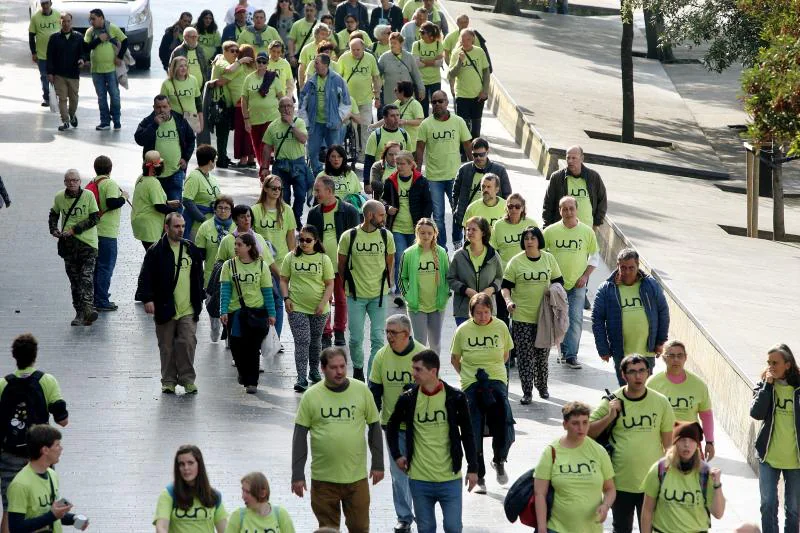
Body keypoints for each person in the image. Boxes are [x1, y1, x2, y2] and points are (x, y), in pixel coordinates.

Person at [291, 347, 384, 532]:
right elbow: (299, 435)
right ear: (323, 368)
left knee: (360, 528)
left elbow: (374, 427)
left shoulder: (362, 391)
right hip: (323, 480)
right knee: (327, 530)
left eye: (342, 366)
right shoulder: (311, 396)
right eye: (334, 367)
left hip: (356, 479)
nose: (340, 371)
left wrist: (378, 463)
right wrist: (297, 474)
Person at [386, 349, 478, 533]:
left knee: (453, 527)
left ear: (433, 371)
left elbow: (468, 433)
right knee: (426, 528)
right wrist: (397, 455)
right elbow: (392, 426)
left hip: (450, 478)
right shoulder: (408, 398)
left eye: (418, 370)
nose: (414, 374)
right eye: (413, 369)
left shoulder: (455, 397)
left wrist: (474, 468)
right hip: (420, 479)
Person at [588, 354, 676, 533]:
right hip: (620, 482)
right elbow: (587, 431)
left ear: (648, 372)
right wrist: (610, 416)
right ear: (623, 374)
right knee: (621, 529)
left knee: (651, 528)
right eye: (632, 372)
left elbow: (668, 445)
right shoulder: (612, 401)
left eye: (642, 371)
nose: (638, 376)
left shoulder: (661, 402)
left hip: (652, 481)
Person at [0, 334, 69, 533]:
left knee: (10, 508)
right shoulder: (46, 381)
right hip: (41, 454)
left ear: (14, 357)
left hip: (9, 453)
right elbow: (62, 420)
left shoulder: (3, 384)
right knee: (46, 503)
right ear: (35, 355)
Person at [450, 292, 514, 494]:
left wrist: (493, 372)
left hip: (495, 378)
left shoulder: (501, 326)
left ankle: (499, 458)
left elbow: (506, 354)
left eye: (486, 312)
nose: (483, 316)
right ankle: (479, 473)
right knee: (472, 425)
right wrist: (467, 377)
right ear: (471, 313)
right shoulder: (463, 330)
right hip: (471, 380)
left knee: (502, 419)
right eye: (478, 313)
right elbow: (455, 358)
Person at [367, 315, 426, 532]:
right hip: (392, 427)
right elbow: (374, 390)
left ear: (407, 333)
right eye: (387, 332)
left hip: (421, 427)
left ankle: (423, 514)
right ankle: (404, 518)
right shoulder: (381, 356)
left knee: (420, 473)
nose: (389, 336)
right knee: (399, 476)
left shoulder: (422, 355)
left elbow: (435, 389)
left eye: (394, 332)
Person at [137, 213, 205, 395]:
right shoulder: (156, 251)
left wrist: (200, 296)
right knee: (166, 346)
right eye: (177, 226)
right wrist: (148, 299)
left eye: (182, 226)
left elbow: (199, 275)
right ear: (166, 228)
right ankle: (168, 381)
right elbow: (145, 277)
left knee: (188, 342)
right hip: (165, 307)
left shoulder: (191, 248)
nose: (181, 230)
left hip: (188, 307)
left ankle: (187, 379)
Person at [533, 401, 616, 533]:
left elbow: (610, 489)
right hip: (557, 528)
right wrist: (542, 528)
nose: (581, 428)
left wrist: (605, 506)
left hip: (591, 529)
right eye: (575, 423)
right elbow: (540, 494)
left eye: (585, 422)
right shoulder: (551, 452)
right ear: (565, 425)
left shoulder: (599, 451)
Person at [502, 226, 563, 403]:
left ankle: (542, 387)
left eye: (533, 238)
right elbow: (505, 287)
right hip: (522, 317)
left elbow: (559, 282)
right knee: (524, 357)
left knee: (542, 356)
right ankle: (527, 391)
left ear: (539, 241)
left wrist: (552, 292)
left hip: (544, 317)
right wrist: (508, 302)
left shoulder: (549, 259)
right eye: (526, 238)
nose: (529, 241)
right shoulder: (515, 262)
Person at [593, 247, 670, 383]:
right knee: (626, 391)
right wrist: (603, 348)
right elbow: (597, 319)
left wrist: (660, 341)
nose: (627, 272)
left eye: (631, 268)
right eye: (623, 268)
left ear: (637, 266)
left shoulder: (651, 285)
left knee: (645, 390)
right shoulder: (606, 289)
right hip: (621, 352)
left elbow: (663, 311)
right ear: (617, 266)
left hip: (647, 351)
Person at [338, 200, 396, 380]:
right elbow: (341, 264)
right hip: (355, 296)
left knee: (378, 338)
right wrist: (348, 285)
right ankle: (357, 368)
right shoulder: (349, 236)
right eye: (381, 215)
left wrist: (387, 284)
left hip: (378, 295)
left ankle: (371, 376)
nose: (383, 218)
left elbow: (389, 261)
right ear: (369, 215)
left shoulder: (387, 236)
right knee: (355, 339)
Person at [543, 195, 599, 369]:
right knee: (555, 320)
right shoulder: (550, 231)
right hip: (556, 285)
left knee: (575, 319)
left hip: (577, 285)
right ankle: (555, 350)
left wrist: (585, 276)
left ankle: (571, 355)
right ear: (560, 211)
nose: (568, 212)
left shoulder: (586, 232)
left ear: (576, 210)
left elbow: (594, 257)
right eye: (564, 209)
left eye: (571, 208)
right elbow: (541, 255)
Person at [640, 421, 726, 533]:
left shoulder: (705, 472)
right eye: (682, 440)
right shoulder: (660, 469)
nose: (687, 444)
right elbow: (647, 510)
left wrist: (717, 485)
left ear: (697, 445)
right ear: (675, 443)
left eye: (691, 440)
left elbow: (718, 514)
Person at [751, 343, 800, 533]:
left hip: (795, 461)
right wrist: (767, 386)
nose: (771, 366)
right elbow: (756, 413)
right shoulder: (765, 384)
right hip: (768, 457)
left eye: (775, 362)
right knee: (767, 505)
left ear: (787, 365)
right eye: (768, 362)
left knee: (794, 510)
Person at [220, 233, 277, 394]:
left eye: (239, 244)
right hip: (235, 313)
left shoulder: (261, 266)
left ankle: (252, 381)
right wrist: (223, 311)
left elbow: (267, 291)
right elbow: (225, 289)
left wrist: (271, 314)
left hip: (256, 312)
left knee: (252, 348)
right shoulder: (229, 265)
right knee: (237, 347)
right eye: (235, 244)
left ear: (249, 246)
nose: (235, 247)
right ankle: (242, 371)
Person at [307, 176, 360, 348]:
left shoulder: (349, 211)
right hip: (321, 265)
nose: (315, 194)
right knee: (323, 299)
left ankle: (339, 331)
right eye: (315, 190)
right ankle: (326, 332)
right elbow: (309, 238)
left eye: (318, 190)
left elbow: (356, 239)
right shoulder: (313, 213)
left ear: (329, 191)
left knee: (341, 298)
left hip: (342, 265)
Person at [415, 90, 472, 248]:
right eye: (434, 102)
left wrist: (476, 167)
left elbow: (467, 144)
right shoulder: (426, 124)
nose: (437, 104)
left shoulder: (458, 121)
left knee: (458, 212)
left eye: (440, 101)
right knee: (438, 216)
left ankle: (457, 240)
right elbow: (420, 149)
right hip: (434, 177)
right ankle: (442, 247)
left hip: (455, 176)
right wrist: (418, 172)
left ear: (447, 102)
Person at [281, 225, 335, 392]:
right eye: (301, 239)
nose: (304, 243)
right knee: (302, 340)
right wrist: (286, 298)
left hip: (319, 309)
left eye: (308, 240)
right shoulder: (291, 257)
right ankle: (301, 376)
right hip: (297, 307)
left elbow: (329, 283)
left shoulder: (323, 259)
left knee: (315, 340)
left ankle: (314, 370)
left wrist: (323, 303)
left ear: (316, 241)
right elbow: (283, 280)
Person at [7, 425, 88, 533]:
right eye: (57, 445)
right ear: (45, 450)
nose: (61, 448)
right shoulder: (20, 485)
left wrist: (73, 519)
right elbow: (16, 528)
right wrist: (52, 516)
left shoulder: (52, 474)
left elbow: (50, 514)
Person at [48, 169, 100, 327]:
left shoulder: (88, 196)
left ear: (80, 182)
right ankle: (79, 312)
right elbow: (53, 213)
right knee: (75, 281)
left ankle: (88, 309)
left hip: (88, 244)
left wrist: (74, 230)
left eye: (75, 180)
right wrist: (54, 229)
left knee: (86, 277)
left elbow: (95, 218)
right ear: (65, 182)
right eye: (69, 180)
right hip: (68, 246)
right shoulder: (59, 197)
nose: (72, 183)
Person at [647, 340, 715, 459]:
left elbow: (706, 415)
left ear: (685, 358)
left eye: (680, 356)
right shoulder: (652, 383)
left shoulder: (698, 385)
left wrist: (709, 442)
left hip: (691, 442)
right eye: (671, 356)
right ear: (664, 358)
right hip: (663, 443)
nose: (676, 360)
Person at [381, 150, 432, 306]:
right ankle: (400, 292)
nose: (400, 167)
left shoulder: (421, 181)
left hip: (415, 227)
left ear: (411, 165)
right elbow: (383, 201)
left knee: (414, 258)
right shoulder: (390, 181)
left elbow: (427, 203)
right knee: (401, 257)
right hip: (397, 226)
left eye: (403, 163)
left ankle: (415, 289)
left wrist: (423, 222)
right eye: (397, 163)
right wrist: (388, 208)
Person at [134, 95, 197, 204]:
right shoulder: (148, 121)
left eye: (164, 106)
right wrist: (154, 125)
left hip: (175, 171)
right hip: (154, 174)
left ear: (170, 107)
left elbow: (191, 139)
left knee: (175, 206)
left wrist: (185, 158)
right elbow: (140, 140)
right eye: (158, 107)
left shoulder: (179, 119)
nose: (162, 110)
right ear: (154, 107)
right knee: (157, 206)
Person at [399, 218, 449, 354]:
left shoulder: (442, 253)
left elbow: (448, 276)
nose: (426, 236)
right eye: (422, 233)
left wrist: (445, 293)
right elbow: (402, 278)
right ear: (417, 233)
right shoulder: (408, 254)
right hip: (417, 305)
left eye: (429, 233)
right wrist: (408, 296)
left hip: (437, 305)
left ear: (434, 234)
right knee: (419, 343)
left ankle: (434, 373)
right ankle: (419, 374)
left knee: (435, 343)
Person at [453, 137, 511, 248]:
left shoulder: (499, 170)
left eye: (482, 154)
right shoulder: (464, 170)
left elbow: (507, 195)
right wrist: (457, 210)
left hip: (493, 217)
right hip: (471, 215)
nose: (479, 158)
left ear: (487, 151)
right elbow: (455, 193)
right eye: (475, 155)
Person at [299, 54, 352, 176]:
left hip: (333, 124)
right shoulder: (311, 81)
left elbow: (346, 102)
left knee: (335, 153)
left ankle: (334, 174)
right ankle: (317, 173)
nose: (314, 65)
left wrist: (338, 118)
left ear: (325, 65)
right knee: (312, 152)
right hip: (315, 124)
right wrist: (305, 121)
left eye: (317, 63)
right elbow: (302, 102)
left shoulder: (338, 80)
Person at [154, 445, 227, 532]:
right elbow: (161, 527)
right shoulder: (169, 494)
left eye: (190, 463)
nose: (186, 468)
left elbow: (224, 530)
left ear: (199, 465)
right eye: (181, 464)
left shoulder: (214, 496)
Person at [262, 96, 310, 226]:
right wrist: (264, 168)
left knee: (300, 195)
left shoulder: (299, 122)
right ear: (279, 109)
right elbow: (266, 148)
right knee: (283, 196)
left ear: (293, 108)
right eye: (283, 106)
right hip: (281, 165)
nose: (287, 109)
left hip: (298, 164)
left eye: (289, 106)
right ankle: (286, 220)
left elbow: (303, 139)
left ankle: (296, 217)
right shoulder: (273, 126)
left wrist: (291, 124)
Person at [446, 216, 502, 325]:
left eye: (474, 229)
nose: (470, 232)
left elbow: (500, 277)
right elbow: (450, 279)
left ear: (483, 233)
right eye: (468, 229)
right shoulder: (458, 255)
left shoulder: (493, 255)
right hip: (463, 311)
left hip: (487, 311)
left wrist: (491, 289)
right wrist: (466, 290)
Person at [89, 155, 127, 312]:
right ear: (110, 169)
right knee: (106, 266)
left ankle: (95, 297)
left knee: (96, 267)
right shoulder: (110, 183)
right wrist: (124, 197)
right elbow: (112, 203)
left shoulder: (93, 182)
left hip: (94, 231)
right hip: (107, 232)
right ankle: (102, 300)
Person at [195, 196, 235, 342]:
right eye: (220, 207)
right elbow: (199, 255)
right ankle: (215, 327)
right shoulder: (206, 226)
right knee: (212, 306)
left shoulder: (236, 228)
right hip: (211, 276)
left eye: (227, 208)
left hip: (233, 276)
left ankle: (230, 337)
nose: (223, 211)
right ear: (215, 209)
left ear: (232, 211)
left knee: (231, 307)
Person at [542, 145, 608, 229]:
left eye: (574, 158)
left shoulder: (593, 177)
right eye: (568, 158)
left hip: (587, 230)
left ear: (582, 158)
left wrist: (596, 224)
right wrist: (547, 227)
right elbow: (548, 204)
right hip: (562, 229)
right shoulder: (557, 177)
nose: (570, 161)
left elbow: (602, 201)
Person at [338, 39, 381, 160]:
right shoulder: (344, 58)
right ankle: (355, 151)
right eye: (353, 50)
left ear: (363, 48)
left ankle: (366, 154)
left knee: (366, 125)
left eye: (358, 50)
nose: (355, 52)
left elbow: (376, 78)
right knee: (353, 127)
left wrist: (377, 96)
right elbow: (338, 78)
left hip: (366, 99)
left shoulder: (370, 58)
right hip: (349, 101)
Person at [84, 8, 127, 131]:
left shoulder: (112, 28)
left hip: (111, 69)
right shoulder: (90, 32)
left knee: (114, 95)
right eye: (90, 19)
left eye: (93, 18)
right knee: (101, 97)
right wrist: (99, 39)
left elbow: (125, 40)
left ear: (101, 18)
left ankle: (117, 119)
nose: (91, 21)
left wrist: (119, 57)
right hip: (96, 70)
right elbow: (86, 47)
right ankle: (105, 121)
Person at [131, 152, 181, 250]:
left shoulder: (141, 178)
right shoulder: (153, 183)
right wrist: (175, 213)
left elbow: (148, 199)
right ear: (155, 167)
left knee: (152, 255)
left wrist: (168, 203)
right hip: (150, 226)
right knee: (155, 258)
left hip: (140, 222)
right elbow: (159, 206)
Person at [243, 51, 284, 167]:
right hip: (255, 119)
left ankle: (276, 170)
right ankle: (263, 171)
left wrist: (285, 116)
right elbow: (244, 100)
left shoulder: (273, 78)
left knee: (269, 145)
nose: (261, 64)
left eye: (263, 62)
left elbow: (282, 98)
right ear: (255, 62)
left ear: (267, 63)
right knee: (257, 147)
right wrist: (246, 119)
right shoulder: (249, 79)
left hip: (272, 117)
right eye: (259, 61)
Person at [447, 28, 489, 140]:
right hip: (462, 95)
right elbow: (451, 74)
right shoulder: (456, 53)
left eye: (468, 39)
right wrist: (459, 62)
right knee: (463, 127)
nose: (465, 42)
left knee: (475, 129)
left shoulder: (479, 52)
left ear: (473, 40)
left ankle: (475, 152)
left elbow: (486, 72)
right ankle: (463, 153)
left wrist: (485, 91)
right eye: (462, 39)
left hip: (477, 96)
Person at [46, 12, 84, 132]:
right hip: (59, 74)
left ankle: (72, 115)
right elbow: (50, 56)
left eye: (68, 21)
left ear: (71, 22)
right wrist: (50, 73)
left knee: (74, 99)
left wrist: (82, 59)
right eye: (64, 21)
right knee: (62, 99)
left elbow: (83, 52)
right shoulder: (54, 38)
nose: (66, 24)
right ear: (60, 22)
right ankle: (65, 121)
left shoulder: (78, 37)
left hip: (73, 74)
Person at [209, 41, 241, 168]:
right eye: (232, 51)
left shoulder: (224, 60)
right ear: (225, 51)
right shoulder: (222, 62)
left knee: (224, 132)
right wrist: (241, 61)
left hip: (225, 103)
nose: (235, 53)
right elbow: (228, 70)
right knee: (222, 133)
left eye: (237, 51)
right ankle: (221, 158)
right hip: (220, 103)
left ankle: (223, 156)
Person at [226, 472, 295, 532]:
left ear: (262, 493)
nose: (243, 497)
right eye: (243, 491)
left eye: (247, 492)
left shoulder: (281, 515)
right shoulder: (238, 516)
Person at [252, 174, 297, 265]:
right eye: (274, 188)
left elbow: (291, 237)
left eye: (279, 188)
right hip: (261, 260)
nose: (277, 191)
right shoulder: (254, 210)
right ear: (265, 188)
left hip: (282, 260)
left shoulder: (287, 210)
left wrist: (293, 259)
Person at [378, 33, 425, 115]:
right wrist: (376, 93)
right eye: (390, 43)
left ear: (401, 43)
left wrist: (421, 89)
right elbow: (377, 76)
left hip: (407, 94)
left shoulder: (409, 57)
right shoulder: (384, 58)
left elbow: (416, 75)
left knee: (408, 115)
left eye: (395, 43)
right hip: (390, 95)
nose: (392, 45)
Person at [161, 56, 203, 145]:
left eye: (185, 66)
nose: (184, 68)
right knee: (177, 143)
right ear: (174, 68)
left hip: (191, 118)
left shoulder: (193, 80)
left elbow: (198, 102)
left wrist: (201, 121)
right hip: (175, 119)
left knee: (189, 144)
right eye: (180, 66)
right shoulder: (167, 84)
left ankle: (185, 159)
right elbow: (161, 104)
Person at [182, 144, 222, 239]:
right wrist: (203, 219)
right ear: (210, 161)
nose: (216, 161)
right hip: (197, 228)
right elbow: (187, 201)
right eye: (215, 159)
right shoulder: (194, 177)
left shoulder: (211, 178)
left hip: (211, 225)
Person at [363, 105, 409, 184]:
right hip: (380, 181)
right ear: (384, 118)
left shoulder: (404, 134)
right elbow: (368, 160)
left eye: (398, 115)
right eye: (392, 116)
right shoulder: (376, 136)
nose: (396, 118)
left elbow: (410, 158)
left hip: (401, 181)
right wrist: (367, 182)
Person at [28, 0, 60, 108]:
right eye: (43, 4)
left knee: (57, 76)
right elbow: (31, 36)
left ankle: (58, 96)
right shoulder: (35, 17)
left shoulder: (58, 15)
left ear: (51, 3)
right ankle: (47, 97)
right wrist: (33, 52)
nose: (45, 6)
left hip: (56, 54)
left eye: (47, 3)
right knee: (44, 76)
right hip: (41, 54)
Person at [231, 45, 258, 168]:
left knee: (241, 133)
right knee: (251, 133)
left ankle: (243, 160)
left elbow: (228, 70)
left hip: (240, 104)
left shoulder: (240, 67)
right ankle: (252, 159)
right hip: (253, 105)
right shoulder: (256, 68)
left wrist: (239, 61)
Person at [411, 22, 443, 117]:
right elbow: (416, 63)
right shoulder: (416, 44)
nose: (420, 34)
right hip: (421, 81)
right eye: (420, 31)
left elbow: (440, 63)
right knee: (422, 107)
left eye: (423, 32)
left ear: (430, 35)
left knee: (437, 106)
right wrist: (433, 60)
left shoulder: (438, 45)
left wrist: (423, 60)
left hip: (435, 80)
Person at [170, 27, 212, 99]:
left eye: (196, 37)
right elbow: (171, 69)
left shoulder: (201, 50)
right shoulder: (177, 51)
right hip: (183, 90)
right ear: (185, 37)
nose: (194, 39)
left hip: (200, 90)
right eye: (192, 37)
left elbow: (205, 68)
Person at [298, 23, 332, 89]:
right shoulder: (306, 48)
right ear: (315, 34)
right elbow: (301, 68)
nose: (324, 37)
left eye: (326, 34)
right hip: (310, 83)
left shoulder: (329, 49)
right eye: (322, 34)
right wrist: (301, 85)